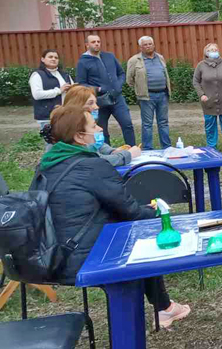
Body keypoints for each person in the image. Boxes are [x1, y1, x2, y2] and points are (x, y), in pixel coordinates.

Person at [34, 105, 190, 328]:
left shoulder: (45, 164)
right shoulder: (93, 166)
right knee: (138, 240)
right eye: (94, 126)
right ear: (79, 136)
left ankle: (164, 307)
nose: (99, 129)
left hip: (46, 255)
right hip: (79, 258)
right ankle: (160, 310)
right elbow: (131, 211)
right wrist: (158, 210)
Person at [76, 34, 136, 146]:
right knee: (102, 130)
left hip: (117, 98)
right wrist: (98, 89)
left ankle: (133, 149)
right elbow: (81, 83)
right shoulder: (83, 62)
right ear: (87, 45)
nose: (96, 44)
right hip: (99, 101)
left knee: (127, 124)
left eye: (98, 41)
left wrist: (118, 85)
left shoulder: (109, 56)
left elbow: (121, 73)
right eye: (93, 42)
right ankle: (106, 153)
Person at [59, 85, 141, 167]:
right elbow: (97, 161)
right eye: (91, 103)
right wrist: (127, 155)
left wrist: (112, 151)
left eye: (95, 102)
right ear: (76, 105)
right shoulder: (68, 129)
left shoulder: (80, 123)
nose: (96, 107)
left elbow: (97, 144)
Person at [126, 36, 172, 150]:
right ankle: (147, 149)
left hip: (162, 94)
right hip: (146, 96)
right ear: (141, 47)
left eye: (150, 44)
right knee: (147, 124)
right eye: (145, 44)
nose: (148, 46)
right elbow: (129, 80)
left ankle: (166, 147)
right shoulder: (134, 60)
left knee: (163, 122)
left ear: (153, 45)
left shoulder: (160, 58)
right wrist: (140, 88)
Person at [193, 43, 222, 152]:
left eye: (215, 49)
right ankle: (212, 146)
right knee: (210, 125)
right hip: (208, 102)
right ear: (206, 53)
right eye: (211, 50)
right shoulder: (201, 65)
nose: (214, 51)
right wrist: (201, 94)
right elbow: (195, 81)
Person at [29, 49, 73, 131]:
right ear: (43, 59)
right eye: (50, 57)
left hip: (66, 114)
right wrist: (58, 91)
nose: (53, 59)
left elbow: (74, 91)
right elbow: (37, 95)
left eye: (56, 57)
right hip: (47, 117)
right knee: (51, 143)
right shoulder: (37, 75)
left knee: (65, 141)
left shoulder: (65, 75)